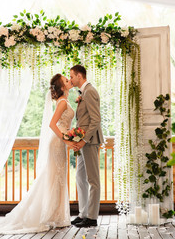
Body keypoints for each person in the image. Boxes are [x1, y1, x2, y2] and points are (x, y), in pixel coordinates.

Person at [0, 74, 75, 235]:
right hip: (58, 143)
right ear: (62, 87)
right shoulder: (63, 102)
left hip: (60, 142)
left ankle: (58, 215)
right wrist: (65, 139)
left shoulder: (63, 101)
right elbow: (52, 124)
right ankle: (52, 215)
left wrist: (69, 135)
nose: (69, 81)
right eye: (66, 80)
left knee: (56, 176)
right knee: (54, 176)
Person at [70, 65, 104, 228]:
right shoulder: (83, 92)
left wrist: (83, 140)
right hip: (83, 140)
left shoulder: (90, 91)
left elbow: (95, 120)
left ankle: (92, 217)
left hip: (90, 141)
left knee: (93, 180)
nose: (70, 79)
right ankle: (83, 213)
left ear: (79, 76)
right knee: (79, 177)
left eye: (72, 76)